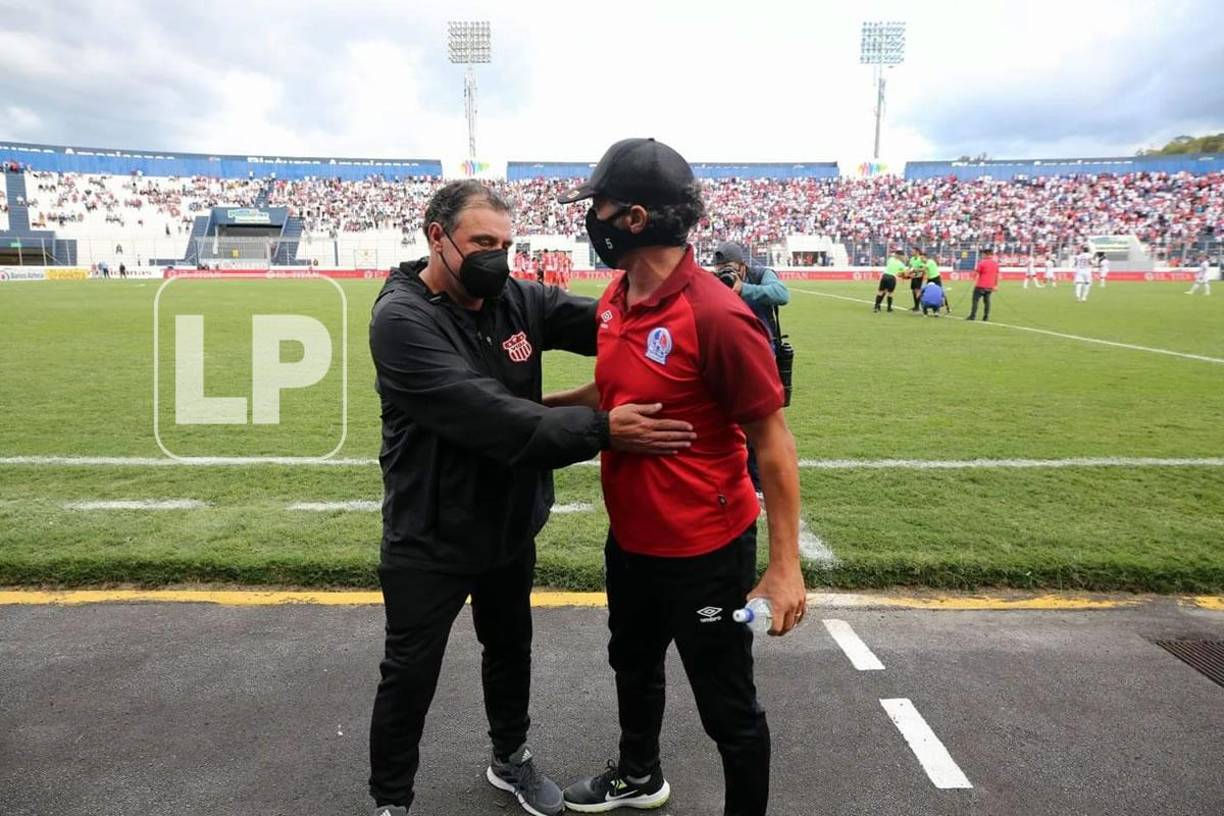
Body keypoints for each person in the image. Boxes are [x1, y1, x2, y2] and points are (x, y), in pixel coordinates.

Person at [367, 179, 697, 816]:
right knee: (410, 672)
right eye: (482, 243)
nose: (498, 257)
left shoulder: (516, 299)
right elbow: (492, 417)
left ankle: (509, 758)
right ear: (437, 237)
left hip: (509, 522)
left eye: (506, 244)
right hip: (429, 532)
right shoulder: (402, 321)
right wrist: (603, 428)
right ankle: (391, 801)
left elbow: (611, 322)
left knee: (510, 648)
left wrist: (694, 311)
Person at [552, 137, 805, 816]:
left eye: (599, 207)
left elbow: (774, 444)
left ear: (634, 218)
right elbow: (613, 389)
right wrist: (534, 411)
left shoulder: (718, 315)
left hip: (705, 553)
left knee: (727, 706)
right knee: (632, 663)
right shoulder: (617, 292)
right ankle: (640, 775)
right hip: (632, 539)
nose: (592, 220)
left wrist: (785, 567)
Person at [709, 239, 791, 497]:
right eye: (721, 268)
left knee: (760, 417)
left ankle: (756, 482)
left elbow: (781, 294)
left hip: (761, 352)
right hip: (728, 351)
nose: (726, 273)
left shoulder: (760, 274)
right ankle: (731, 476)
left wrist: (743, 289)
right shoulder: (714, 281)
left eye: (730, 268)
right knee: (726, 418)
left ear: (743, 265)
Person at [967, 247, 999, 321]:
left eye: (983, 254)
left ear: (985, 254)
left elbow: (976, 273)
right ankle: (986, 317)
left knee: (975, 300)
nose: (982, 255)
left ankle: (973, 316)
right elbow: (996, 275)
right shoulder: (995, 264)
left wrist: (973, 276)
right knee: (987, 302)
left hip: (981, 285)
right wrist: (996, 285)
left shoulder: (982, 262)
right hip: (990, 286)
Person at [875, 248, 906, 313]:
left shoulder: (890, 259)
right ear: (900, 256)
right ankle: (889, 308)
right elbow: (902, 273)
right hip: (892, 277)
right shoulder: (901, 264)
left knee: (881, 292)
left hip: (885, 276)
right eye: (902, 256)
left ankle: (876, 307)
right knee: (890, 293)